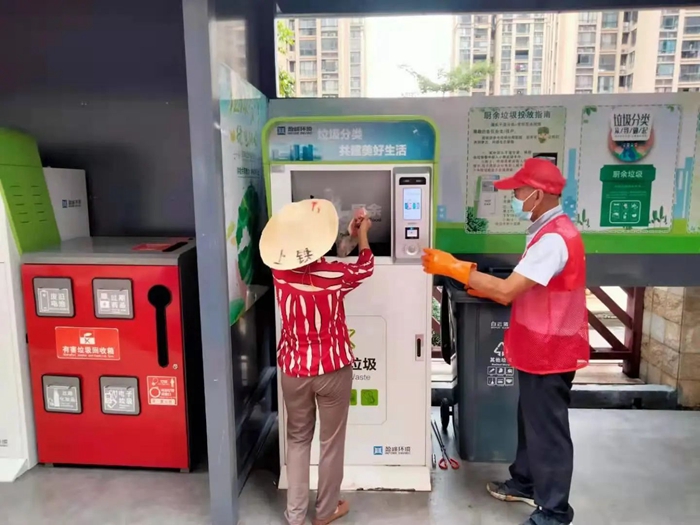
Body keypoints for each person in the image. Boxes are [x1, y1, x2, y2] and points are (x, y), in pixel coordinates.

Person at [422, 158, 588, 525]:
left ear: (538, 195)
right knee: (530, 419)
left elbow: (508, 290)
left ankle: (555, 511)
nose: (514, 198)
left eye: (518, 191)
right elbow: (522, 289)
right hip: (538, 346)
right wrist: (474, 281)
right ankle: (525, 481)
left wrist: (453, 267)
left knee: (548, 431)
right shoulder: (546, 231)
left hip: (551, 350)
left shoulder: (555, 239)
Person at [260, 198, 374, 525]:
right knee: (331, 443)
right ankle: (325, 511)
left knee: (297, 440)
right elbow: (365, 266)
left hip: (294, 369)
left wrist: (347, 238)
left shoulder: (279, 273)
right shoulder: (335, 275)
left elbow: (308, 266)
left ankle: (295, 515)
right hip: (332, 369)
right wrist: (362, 235)